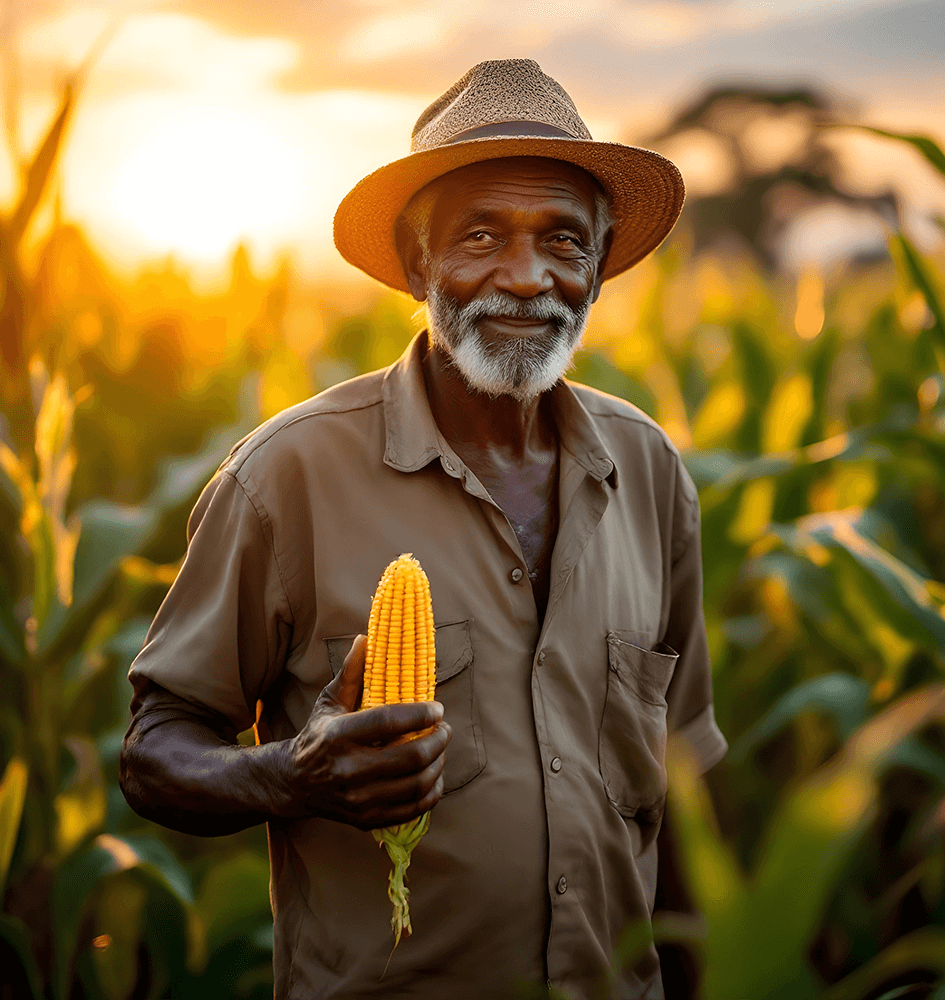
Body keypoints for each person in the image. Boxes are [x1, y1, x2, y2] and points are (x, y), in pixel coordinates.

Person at [119, 59, 727, 1000]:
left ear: (599, 268)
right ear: (415, 263)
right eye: (481, 235)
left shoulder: (648, 470)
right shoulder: (289, 476)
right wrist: (291, 776)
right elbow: (156, 749)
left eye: (563, 240)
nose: (526, 278)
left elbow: (682, 784)